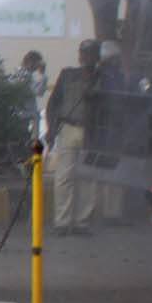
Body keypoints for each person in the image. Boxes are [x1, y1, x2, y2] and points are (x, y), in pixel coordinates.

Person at [47, 40, 102, 236]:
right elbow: (53, 104)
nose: (87, 57)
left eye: (91, 53)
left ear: (97, 57)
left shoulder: (102, 78)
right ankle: (62, 222)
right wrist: (51, 130)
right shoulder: (67, 75)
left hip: (92, 133)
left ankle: (81, 223)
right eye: (84, 53)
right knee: (64, 177)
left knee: (88, 178)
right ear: (79, 56)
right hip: (69, 128)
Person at [17, 49, 49, 142]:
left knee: (32, 141)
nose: (37, 66)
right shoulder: (23, 75)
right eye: (37, 63)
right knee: (30, 142)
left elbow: (40, 92)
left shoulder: (26, 75)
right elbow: (38, 92)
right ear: (30, 62)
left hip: (28, 114)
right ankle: (33, 156)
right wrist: (43, 75)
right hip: (25, 115)